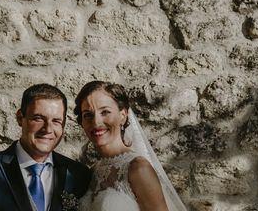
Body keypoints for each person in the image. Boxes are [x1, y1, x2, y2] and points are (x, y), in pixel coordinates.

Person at [0, 83, 92, 211]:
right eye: (38, 118)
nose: (48, 129)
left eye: (56, 121)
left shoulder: (78, 174)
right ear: (20, 118)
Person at [74, 81, 187, 211]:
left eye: (105, 112)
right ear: (82, 122)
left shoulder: (138, 168)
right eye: (88, 115)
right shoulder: (94, 170)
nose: (96, 122)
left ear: (122, 116)